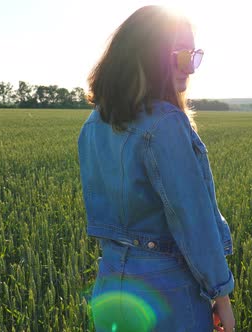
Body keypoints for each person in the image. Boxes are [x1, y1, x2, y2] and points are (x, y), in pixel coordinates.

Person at [78, 5, 235, 332]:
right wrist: (221, 296)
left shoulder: (94, 124)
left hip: (109, 285)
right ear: (150, 55)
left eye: (194, 56)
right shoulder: (165, 123)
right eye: (182, 56)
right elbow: (194, 221)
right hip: (166, 291)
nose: (190, 68)